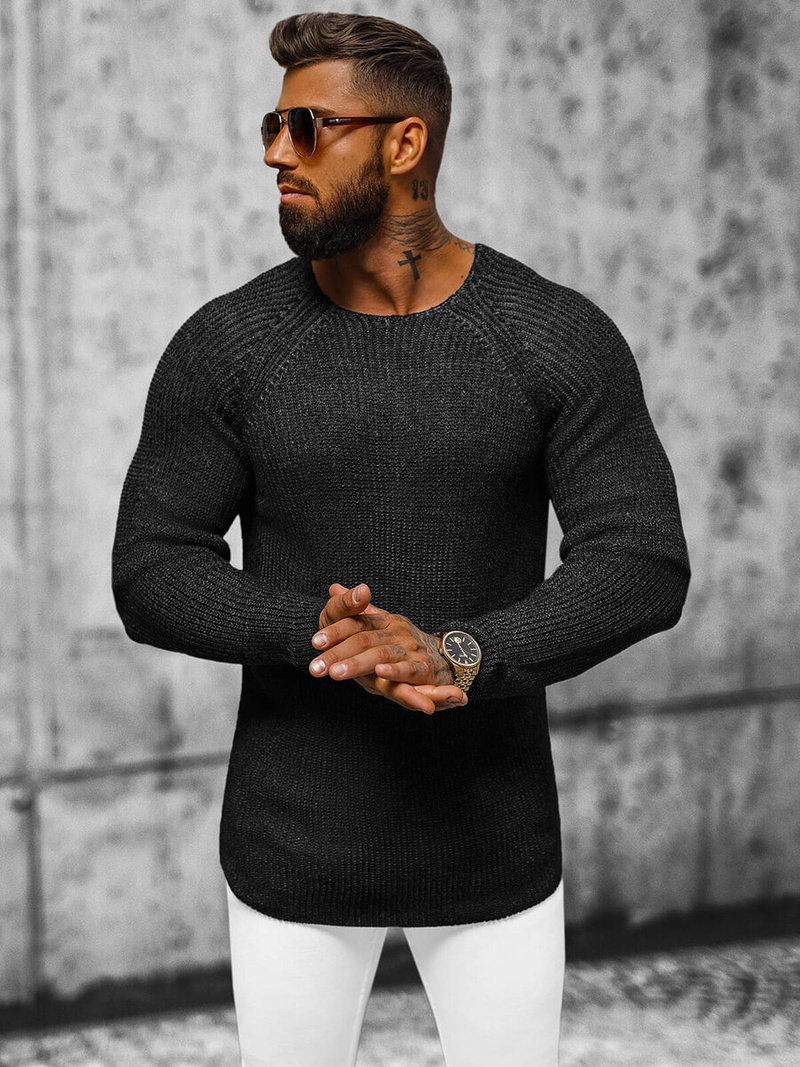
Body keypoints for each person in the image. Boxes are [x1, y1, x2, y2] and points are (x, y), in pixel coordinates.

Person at [111, 11, 691, 1067]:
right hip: (292, 846)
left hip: (493, 843)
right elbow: (152, 566)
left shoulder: (550, 335)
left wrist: (459, 653)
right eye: (271, 124)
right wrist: (321, 632)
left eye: (307, 126)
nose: (275, 152)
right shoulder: (228, 345)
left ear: (404, 143)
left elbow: (639, 558)